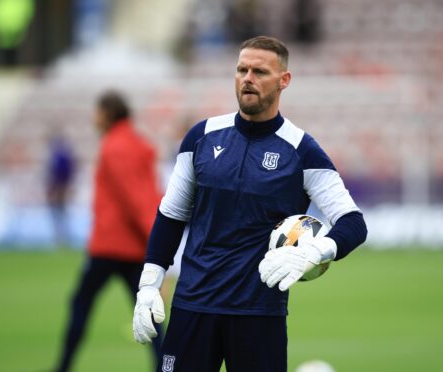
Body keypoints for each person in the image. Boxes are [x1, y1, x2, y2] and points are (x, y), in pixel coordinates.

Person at [133, 36, 368, 372]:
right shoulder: (201, 137)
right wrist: (148, 286)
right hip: (193, 306)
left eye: (260, 71)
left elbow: (353, 223)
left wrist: (314, 253)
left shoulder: (302, 151)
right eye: (242, 70)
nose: (248, 78)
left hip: (259, 314)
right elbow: (171, 216)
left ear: (284, 80)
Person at [55, 91, 163, 372]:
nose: (94, 118)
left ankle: (63, 366)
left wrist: (159, 244)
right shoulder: (138, 144)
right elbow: (149, 195)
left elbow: (134, 198)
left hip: (111, 244)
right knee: (148, 313)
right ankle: (166, 367)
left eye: (97, 111)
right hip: (135, 246)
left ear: (107, 113)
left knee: (82, 303)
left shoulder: (114, 146)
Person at [46, 132, 76, 246]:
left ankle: (61, 238)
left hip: (60, 188)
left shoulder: (59, 156)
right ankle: (62, 238)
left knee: (59, 213)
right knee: (61, 213)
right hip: (60, 188)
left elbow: (59, 174)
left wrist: (58, 187)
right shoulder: (63, 155)